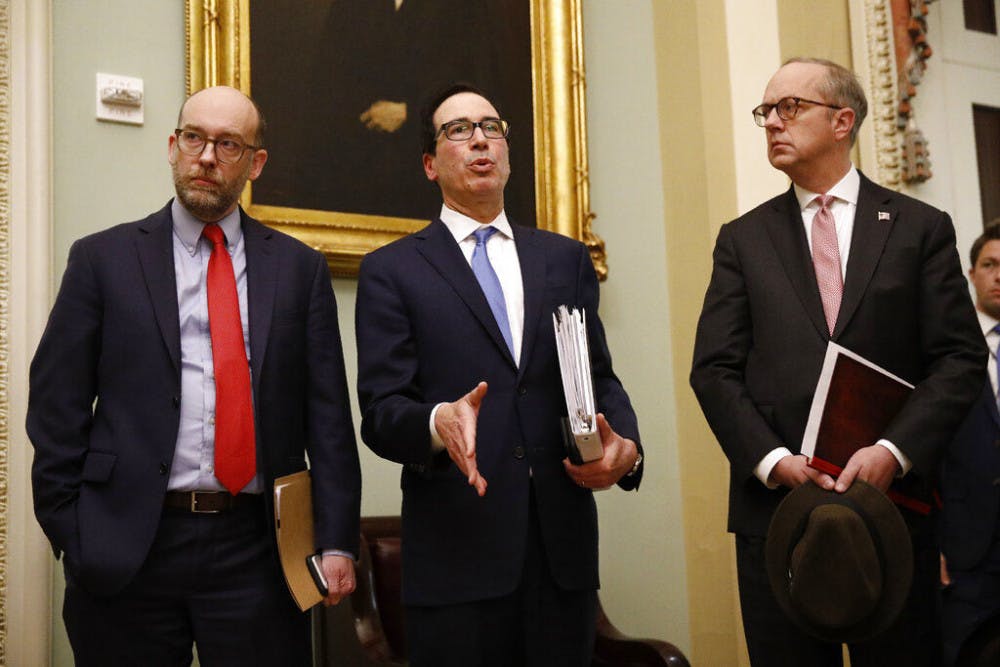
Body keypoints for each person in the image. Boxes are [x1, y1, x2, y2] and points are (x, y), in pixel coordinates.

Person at [27, 86, 361, 666]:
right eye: (194, 138)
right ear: (172, 146)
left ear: (255, 163)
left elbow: (327, 420)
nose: (206, 156)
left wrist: (335, 541)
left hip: (256, 551)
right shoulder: (102, 260)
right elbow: (56, 406)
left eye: (227, 144)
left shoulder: (299, 270)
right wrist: (74, 532)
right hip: (130, 546)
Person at [689, 57, 986, 666]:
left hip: (893, 507)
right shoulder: (742, 240)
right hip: (777, 511)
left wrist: (893, 452)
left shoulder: (919, 228)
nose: (772, 121)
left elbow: (958, 358)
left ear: (843, 120)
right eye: (764, 112)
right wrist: (772, 461)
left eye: (789, 107)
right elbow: (714, 368)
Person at [354, 83, 643, 667]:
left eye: (492, 126)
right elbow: (382, 412)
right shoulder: (392, 271)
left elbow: (599, 376)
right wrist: (439, 422)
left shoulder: (562, 259)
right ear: (431, 165)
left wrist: (628, 447)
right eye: (458, 130)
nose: (480, 138)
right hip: (456, 559)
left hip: (561, 559)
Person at [940, 219, 1000, 665]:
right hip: (967, 550)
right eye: (990, 264)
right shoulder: (945, 351)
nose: (999, 275)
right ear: (972, 274)